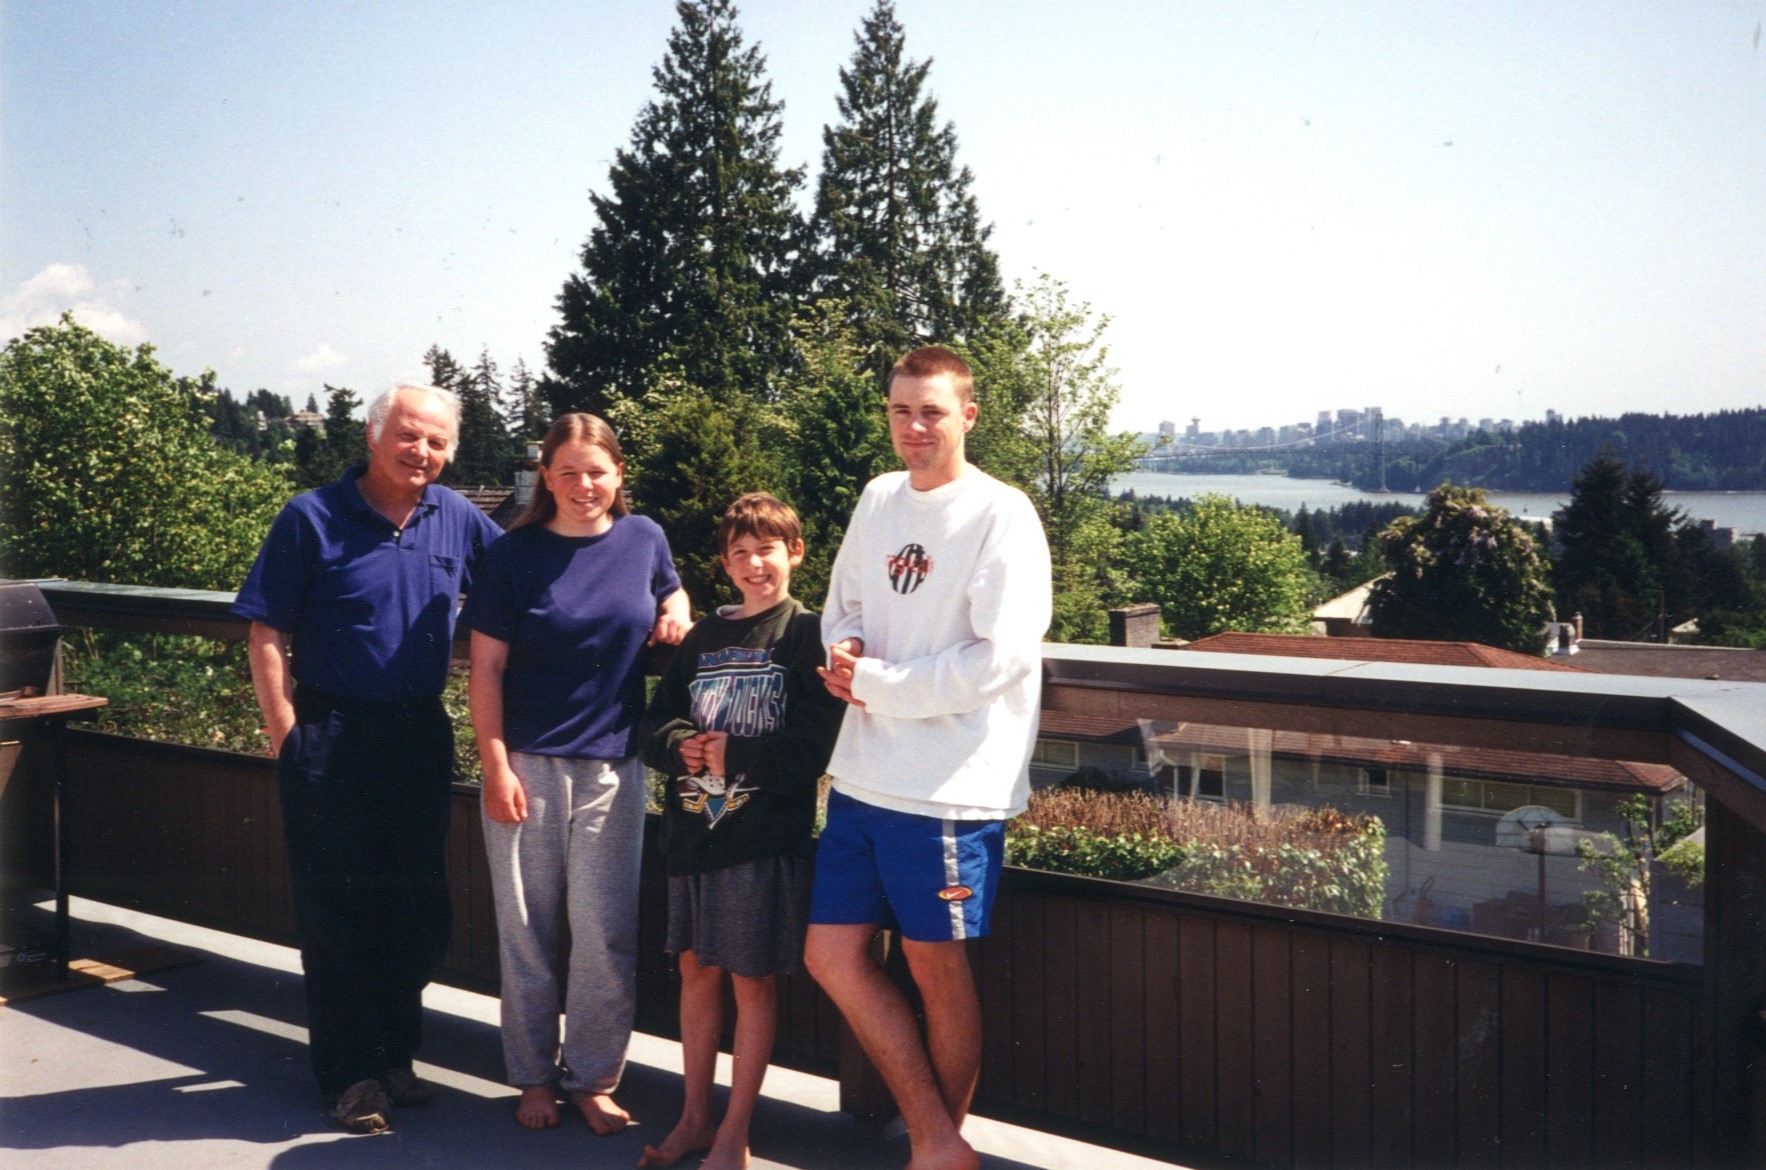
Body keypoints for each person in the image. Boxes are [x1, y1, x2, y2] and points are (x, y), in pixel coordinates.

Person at [805, 346, 1051, 1170]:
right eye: (901, 411)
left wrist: (875, 683)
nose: (914, 427)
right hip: (863, 772)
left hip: (949, 784)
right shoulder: (878, 497)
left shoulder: (1002, 513)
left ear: (968, 416)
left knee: (935, 968)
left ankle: (935, 1150)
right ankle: (938, 1141)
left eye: (932, 412)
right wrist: (843, 648)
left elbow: (1001, 658)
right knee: (829, 955)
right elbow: (844, 602)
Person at [235, 383, 503, 1134]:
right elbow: (265, 631)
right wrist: (287, 734)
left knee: (417, 909)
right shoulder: (311, 516)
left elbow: (531, 574)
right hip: (332, 732)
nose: (422, 452)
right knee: (338, 910)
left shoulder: (457, 517)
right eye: (409, 436)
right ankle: (351, 1075)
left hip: (417, 732)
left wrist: (664, 592)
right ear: (372, 436)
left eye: (437, 442)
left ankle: (393, 1056)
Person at [460, 412, 690, 1136]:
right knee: (526, 931)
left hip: (614, 766)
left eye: (597, 472)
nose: (584, 485)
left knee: (604, 933)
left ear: (618, 474)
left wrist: (676, 608)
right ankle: (532, 1076)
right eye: (568, 473)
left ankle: (592, 1078)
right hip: (527, 764)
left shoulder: (643, 537)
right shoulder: (513, 553)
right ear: (546, 478)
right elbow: (486, 669)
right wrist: (495, 766)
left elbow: (670, 590)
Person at [637, 493, 845, 1170]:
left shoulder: (807, 635)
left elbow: (812, 749)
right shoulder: (703, 637)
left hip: (761, 841)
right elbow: (655, 722)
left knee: (752, 980)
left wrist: (738, 754)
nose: (756, 564)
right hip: (692, 835)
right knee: (696, 971)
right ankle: (695, 1117)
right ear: (725, 564)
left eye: (768, 550)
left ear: (796, 553)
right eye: (741, 553)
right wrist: (681, 746)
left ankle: (735, 1132)